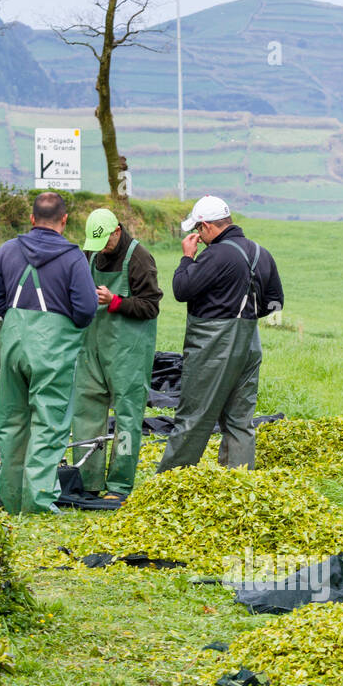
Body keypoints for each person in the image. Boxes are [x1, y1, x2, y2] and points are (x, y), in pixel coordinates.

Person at [0, 191, 98, 514]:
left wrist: (21, 322)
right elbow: (87, 309)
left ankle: (10, 498)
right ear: (64, 220)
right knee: (49, 423)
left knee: (12, 422)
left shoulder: (8, 250)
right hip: (53, 351)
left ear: (32, 219)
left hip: (14, 347)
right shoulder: (74, 258)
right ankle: (38, 503)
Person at [156, 195, 283, 474]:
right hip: (249, 345)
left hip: (213, 346)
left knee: (195, 416)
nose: (198, 236)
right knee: (240, 420)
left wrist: (187, 257)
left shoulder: (216, 255)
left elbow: (182, 290)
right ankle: (237, 482)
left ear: (207, 226)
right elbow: (275, 302)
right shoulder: (261, 253)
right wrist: (246, 315)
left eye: (198, 230)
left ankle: (171, 480)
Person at [69, 208, 162, 504]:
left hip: (128, 353)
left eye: (106, 243)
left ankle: (119, 484)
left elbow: (150, 306)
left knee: (127, 416)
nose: (101, 250)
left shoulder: (140, 258)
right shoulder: (92, 254)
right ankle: (87, 480)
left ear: (117, 231)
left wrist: (115, 301)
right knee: (85, 412)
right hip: (92, 348)